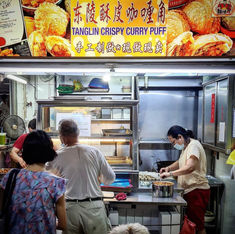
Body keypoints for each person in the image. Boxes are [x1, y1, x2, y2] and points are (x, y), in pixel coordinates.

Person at [47, 119, 116, 234]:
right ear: (78, 133)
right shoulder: (94, 152)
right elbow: (110, 178)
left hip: (69, 209)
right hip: (94, 208)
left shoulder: (57, 156)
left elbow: (48, 180)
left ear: (62, 137)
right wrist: (99, 179)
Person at [0, 130, 66, 233]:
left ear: (25, 152)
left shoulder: (10, 176)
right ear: (48, 152)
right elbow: (63, 224)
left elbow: (2, 209)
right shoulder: (56, 182)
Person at [160, 125, 210, 234]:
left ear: (180, 137)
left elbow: (190, 167)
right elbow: (180, 162)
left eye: (173, 142)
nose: (173, 145)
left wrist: (170, 174)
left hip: (196, 190)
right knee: (191, 224)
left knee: (198, 226)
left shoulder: (194, 145)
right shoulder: (186, 147)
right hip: (189, 191)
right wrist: (168, 168)